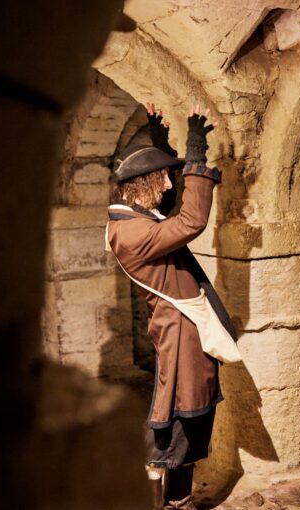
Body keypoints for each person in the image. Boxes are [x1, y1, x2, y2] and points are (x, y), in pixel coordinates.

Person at [106, 104, 235, 510]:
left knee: (190, 422)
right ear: (140, 184)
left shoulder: (134, 217)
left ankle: (178, 500)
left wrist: (157, 139)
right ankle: (165, 504)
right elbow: (190, 221)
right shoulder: (131, 233)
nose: (166, 184)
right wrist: (195, 151)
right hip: (179, 335)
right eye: (160, 176)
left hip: (184, 330)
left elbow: (167, 210)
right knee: (177, 427)